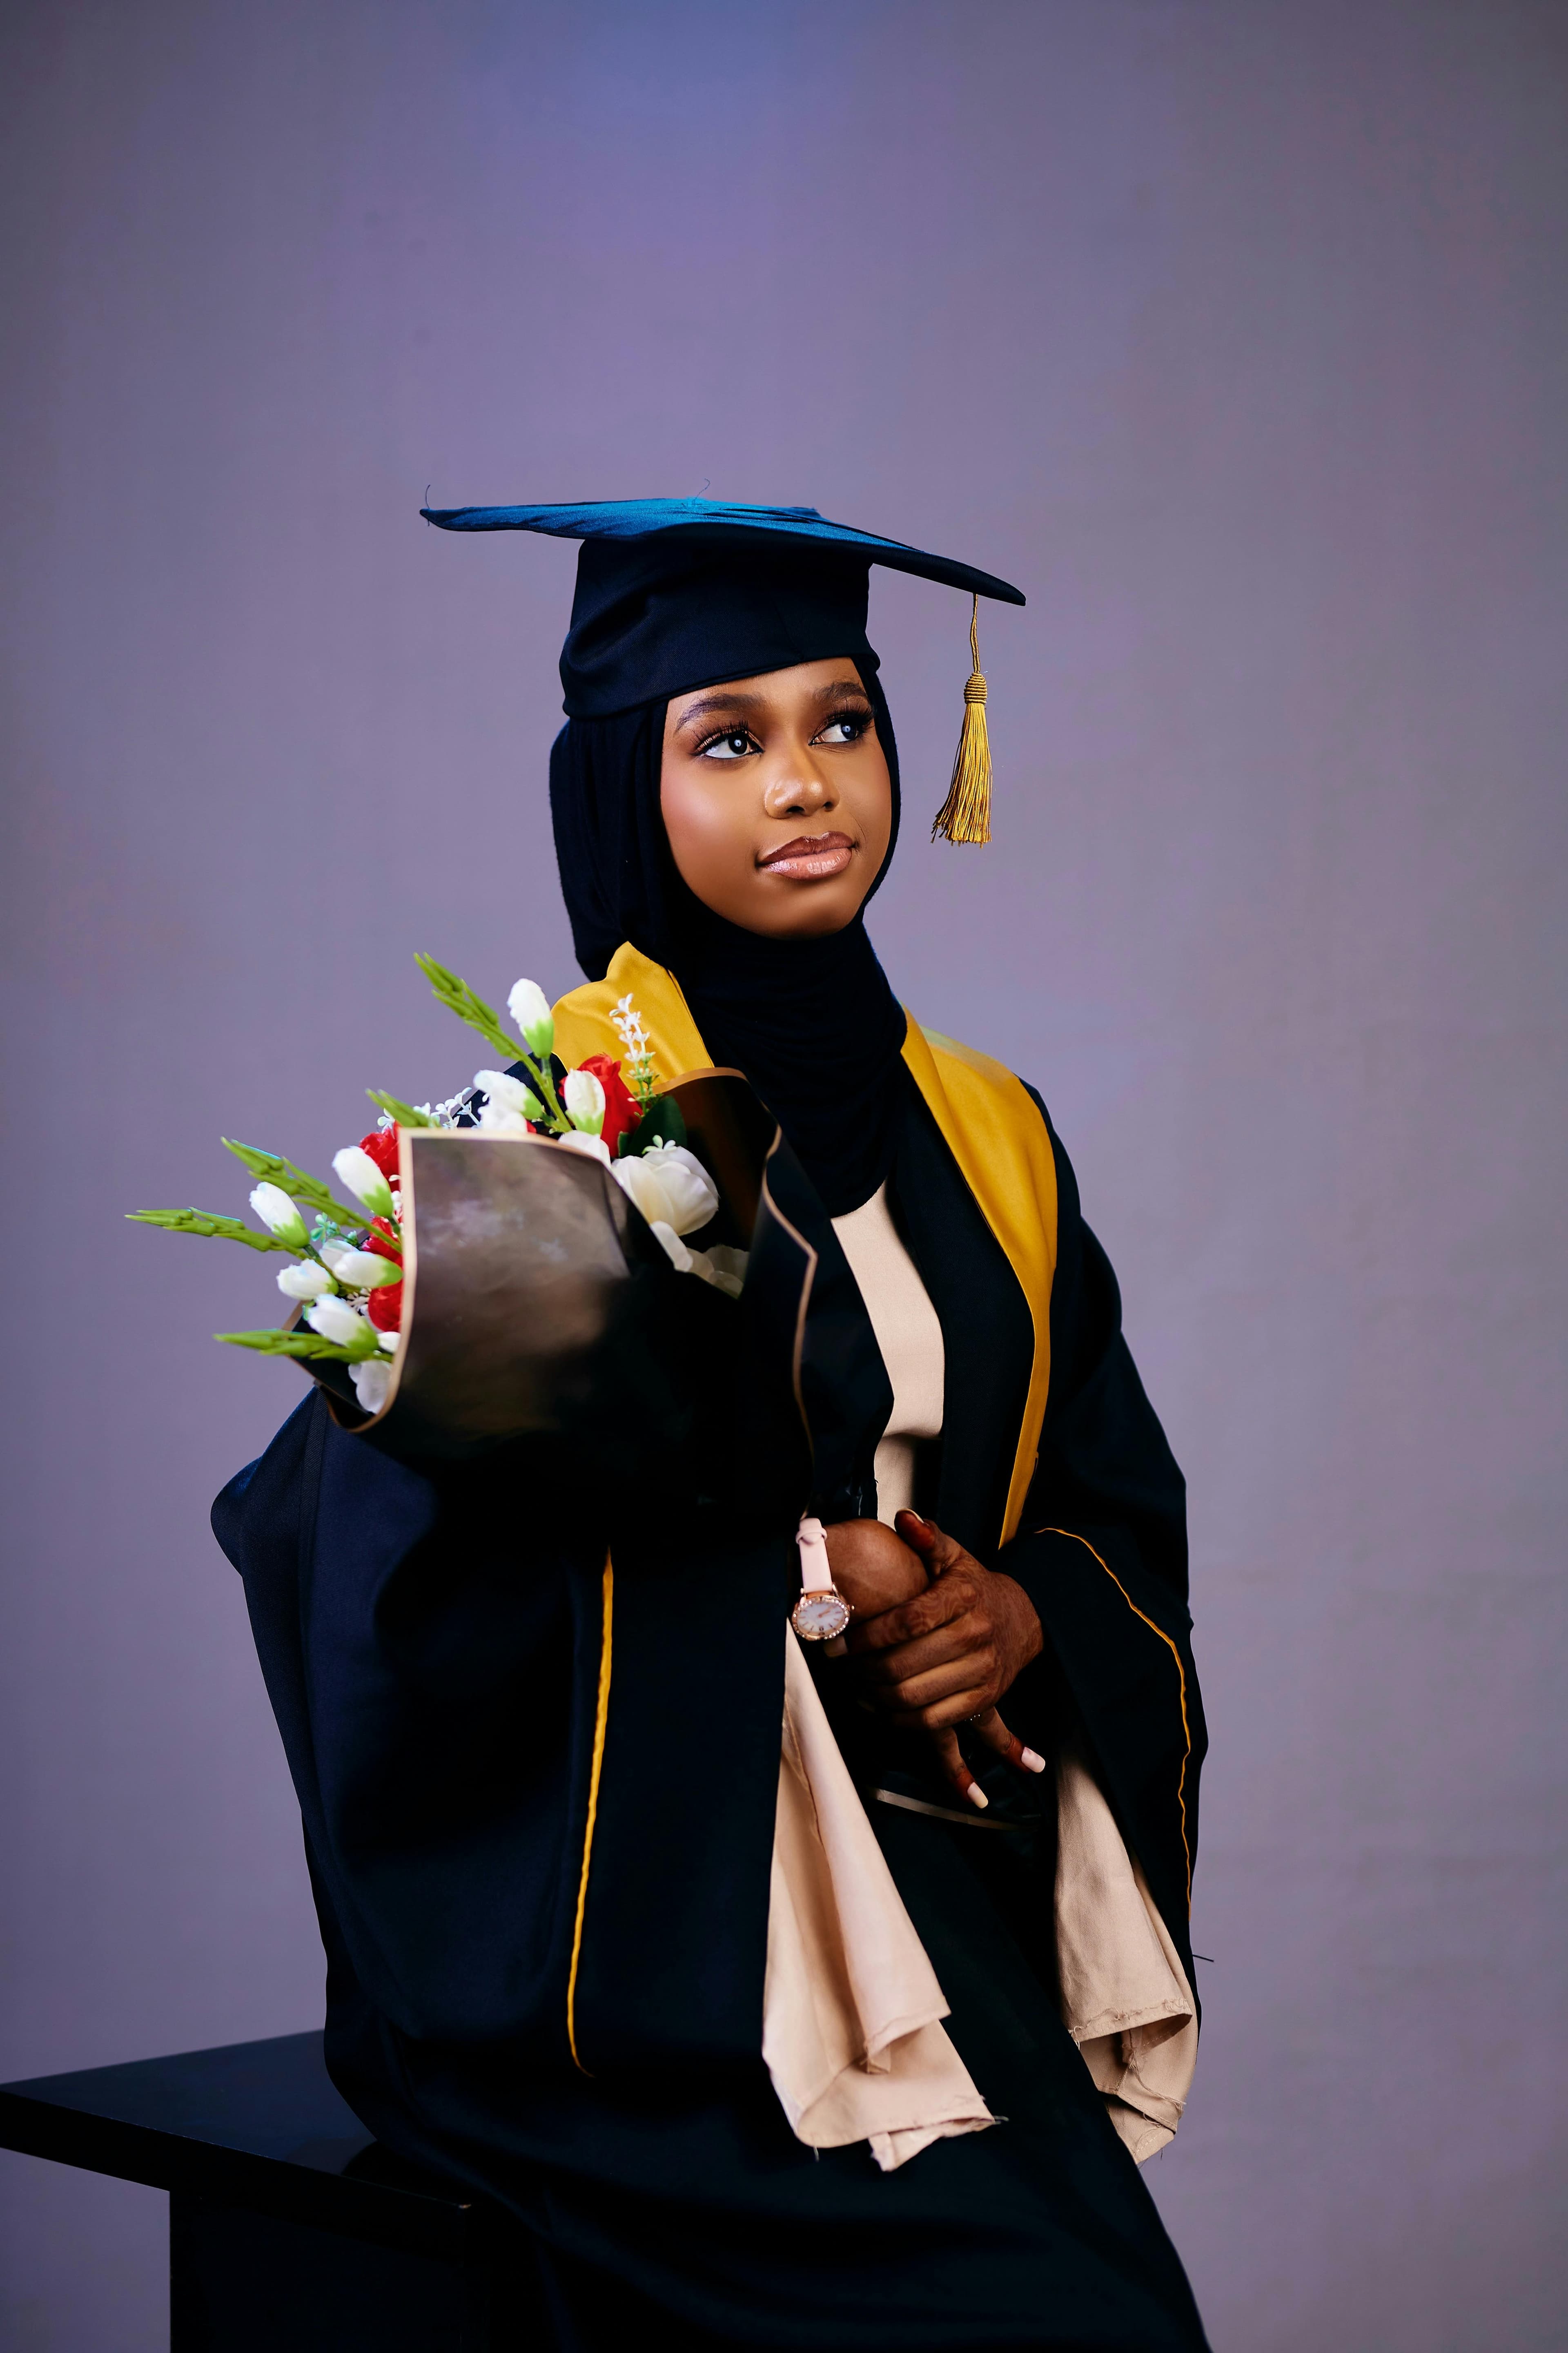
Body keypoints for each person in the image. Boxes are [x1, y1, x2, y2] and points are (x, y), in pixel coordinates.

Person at [214, 500, 1210, 2350]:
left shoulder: (991, 1131)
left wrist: (1026, 1614)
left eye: (843, 722)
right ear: (621, 787)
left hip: (933, 1876)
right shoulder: (550, 1137)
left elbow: (1108, 1497)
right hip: (657, 1937)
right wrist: (801, 1571)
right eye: (727, 739)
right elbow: (365, 1552)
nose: (805, 785)